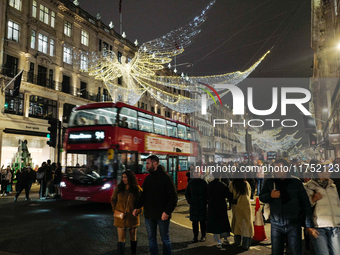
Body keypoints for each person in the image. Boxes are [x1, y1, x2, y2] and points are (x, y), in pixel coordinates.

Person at [259, 158, 315, 255]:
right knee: (276, 252)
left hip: (293, 223)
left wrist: (308, 224)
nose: (276, 171)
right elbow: (262, 197)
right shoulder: (270, 182)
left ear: (286, 169)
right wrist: (270, 195)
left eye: (279, 168)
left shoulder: (296, 182)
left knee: (295, 251)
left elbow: (305, 203)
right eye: (275, 168)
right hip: (276, 225)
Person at [133, 155, 178, 255]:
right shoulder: (148, 179)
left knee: (165, 239)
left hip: (162, 215)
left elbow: (173, 197)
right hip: (149, 215)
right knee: (151, 240)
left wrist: (167, 212)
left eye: (148, 163)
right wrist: (137, 207)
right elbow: (143, 195)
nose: (146, 166)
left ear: (155, 163)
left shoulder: (166, 178)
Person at [304, 163, 340, 255]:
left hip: (335, 225)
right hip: (319, 226)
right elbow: (305, 206)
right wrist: (313, 199)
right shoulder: (309, 186)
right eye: (327, 170)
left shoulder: (333, 186)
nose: (329, 172)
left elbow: (337, 203)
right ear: (319, 173)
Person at [111, 171, 143, 255]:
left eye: (125, 177)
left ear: (130, 178)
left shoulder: (137, 189)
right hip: (120, 217)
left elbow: (141, 203)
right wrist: (115, 210)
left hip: (132, 217)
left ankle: (133, 252)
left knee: (133, 237)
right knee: (121, 238)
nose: (123, 179)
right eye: (122, 177)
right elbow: (113, 200)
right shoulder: (119, 188)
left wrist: (138, 210)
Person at [207, 171, 233, 249]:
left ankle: (218, 242)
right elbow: (229, 195)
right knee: (223, 222)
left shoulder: (209, 185)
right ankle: (225, 239)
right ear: (220, 176)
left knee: (215, 224)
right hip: (221, 206)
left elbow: (206, 196)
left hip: (212, 207)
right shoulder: (223, 185)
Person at [229, 178, 253, 250]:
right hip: (246, 206)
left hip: (236, 207)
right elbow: (249, 194)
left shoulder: (232, 184)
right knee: (246, 224)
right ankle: (245, 244)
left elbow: (230, 194)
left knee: (237, 223)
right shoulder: (246, 184)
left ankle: (237, 241)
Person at [185, 167, 207, 243]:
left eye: (197, 172)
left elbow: (207, 193)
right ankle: (195, 237)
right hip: (194, 206)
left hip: (202, 205)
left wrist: (205, 202)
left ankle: (203, 236)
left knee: (203, 222)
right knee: (194, 223)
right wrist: (190, 201)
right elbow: (187, 194)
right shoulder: (190, 183)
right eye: (194, 173)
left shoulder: (204, 182)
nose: (196, 174)